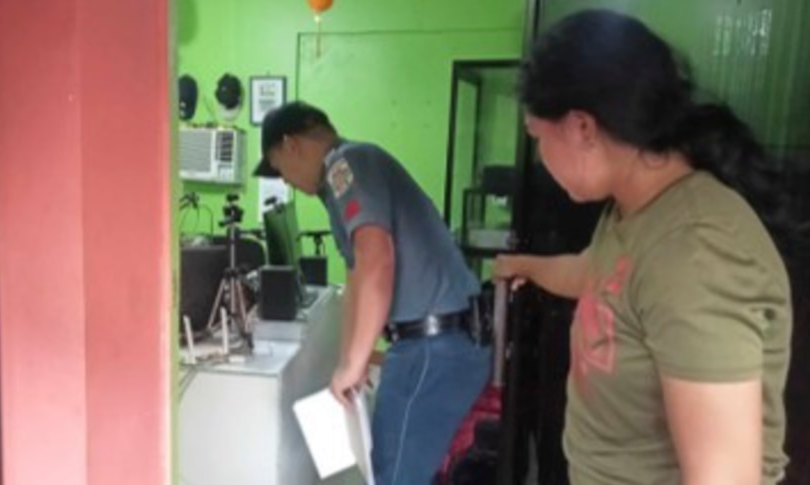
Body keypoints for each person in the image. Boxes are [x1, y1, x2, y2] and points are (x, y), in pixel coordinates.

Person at [494, 9, 792, 485]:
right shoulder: (633, 214)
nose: (540, 158)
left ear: (582, 128)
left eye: (538, 138)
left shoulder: (695, 253)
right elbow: (596, 273)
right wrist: (520, 264)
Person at [253, 101, 491, 485]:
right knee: (386, 466)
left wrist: (354, 362)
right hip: (432, 343)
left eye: (281, 169)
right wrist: (350, 360)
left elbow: (377, 259)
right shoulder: (340, 184)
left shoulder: (348, 164)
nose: (290, 182)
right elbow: (357, 278)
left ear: (291, 144)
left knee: (394, 475)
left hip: (433, 346)